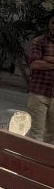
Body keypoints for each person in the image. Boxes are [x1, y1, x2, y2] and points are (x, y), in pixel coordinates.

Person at [26, 14, 54, 144]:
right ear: (49, 24)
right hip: (39, 93)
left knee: (52, 136)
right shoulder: (39, 41)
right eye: (53, 22)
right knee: (36, 133)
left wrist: (46, 58)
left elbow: (40, 62)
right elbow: (34, 64)